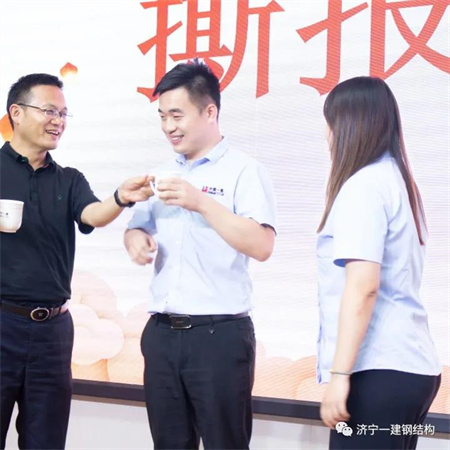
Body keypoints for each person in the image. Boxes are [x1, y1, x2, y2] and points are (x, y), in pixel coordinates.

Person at [124, 59, 276, 450]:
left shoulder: (245, 170)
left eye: (177, 115)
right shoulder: (161, 172)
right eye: (162, 117)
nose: (168, 127)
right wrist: (135, 239)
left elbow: (262, 245)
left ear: (210, 112)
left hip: (218, 336)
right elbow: (136, 227)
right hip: (161, 334)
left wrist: (201, 202)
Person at [0, 73, 153, 450]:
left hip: (52, 331)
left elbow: (92, 214)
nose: (58, 121)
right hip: (2, 322)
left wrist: (120, 197)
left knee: (46, 440)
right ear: (16, 112)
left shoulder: (69, 180)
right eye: (49, 111)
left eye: (63, 114)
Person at [316, 76, 441, 449]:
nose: (327, 135)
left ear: (347, 126)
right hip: (409, 370)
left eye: (329, 123)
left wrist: (340, 375)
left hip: (378, 371)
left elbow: (363, 286)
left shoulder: (364, 186)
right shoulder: (398, 182)